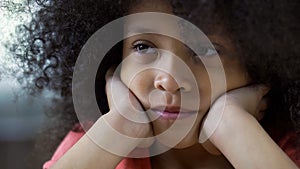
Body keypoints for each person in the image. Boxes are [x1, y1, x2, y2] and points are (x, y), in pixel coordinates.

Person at [11, 0, 299, 168]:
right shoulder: (99, 145)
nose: (169, 81)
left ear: (260, 65)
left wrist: (233, 128)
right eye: (143, 46)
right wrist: (124, 126)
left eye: (206, 51)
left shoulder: (279, 150)